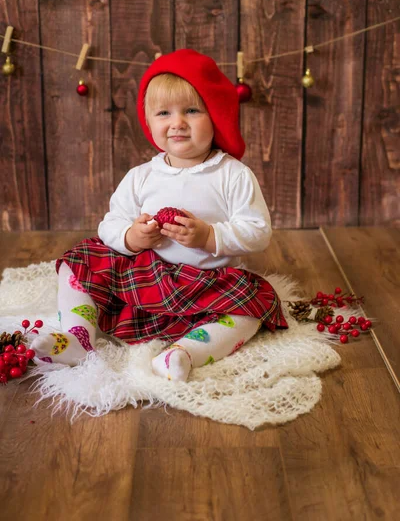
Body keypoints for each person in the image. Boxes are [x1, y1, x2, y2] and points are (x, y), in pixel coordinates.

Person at [31, 49, 288, 381]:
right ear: (149, 121)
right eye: (164, 112)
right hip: (145, 278)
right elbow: (111, 223)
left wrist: (209, 236)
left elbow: (258, 231)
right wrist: (132, 237)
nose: (177, 123)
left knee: (255, 303)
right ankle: (78, 337)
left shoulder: (232, 174)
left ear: (216, 116)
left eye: (192, 111)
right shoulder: (141, 176)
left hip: (205, 285)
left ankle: (184, 353)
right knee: (79, 258)